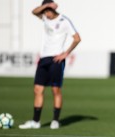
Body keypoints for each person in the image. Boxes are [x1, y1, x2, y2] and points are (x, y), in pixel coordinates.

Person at [19, 0, 81, 129]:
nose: (46, 14)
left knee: (55, 90)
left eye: (47, 11)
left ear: (53, 10)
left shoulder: (64, 21)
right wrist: (46, 6)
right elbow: (33, 12)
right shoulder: (44, 18)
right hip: (43, 58)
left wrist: (65, 53)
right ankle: (36, 122)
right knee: (37, 90)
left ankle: (55, 121)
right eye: (44, 11)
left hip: (56, 59)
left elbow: (77, 38)